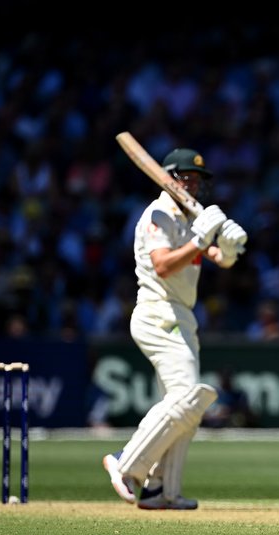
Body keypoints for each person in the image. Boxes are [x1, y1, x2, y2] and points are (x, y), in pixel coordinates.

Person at [102, 147, 248, 510]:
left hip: (181, 317)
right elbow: (164, 265)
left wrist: (226, 249)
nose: (194, 186)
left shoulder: (186, 217)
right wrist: (201, 239)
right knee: (187, 395)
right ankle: (124, 460)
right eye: (188, 179)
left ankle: (160, 490)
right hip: (157, 315)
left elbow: (214, 257)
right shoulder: (159, 214)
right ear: (169, 179)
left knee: (187, 407)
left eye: (198, 180)